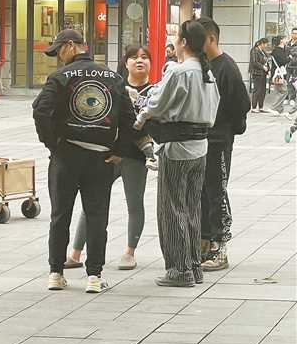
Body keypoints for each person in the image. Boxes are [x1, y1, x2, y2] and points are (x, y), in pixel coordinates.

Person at [32, 29, 143, 293]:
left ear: (71, 46)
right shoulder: (113, 78)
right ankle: (94, 275)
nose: (58, 57)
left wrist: (52, 143)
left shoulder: (59, 78)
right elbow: (130, 119)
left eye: (59, 51)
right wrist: (119, 149)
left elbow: (40, 111)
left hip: (66, 155)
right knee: (96, 216)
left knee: (60, 215)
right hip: (100, 157)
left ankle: (56, 273)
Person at [134, 20, 220, 287]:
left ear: (183, 43)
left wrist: (140, 119)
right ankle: (193, 265)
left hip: (177, 147)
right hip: (200, 147)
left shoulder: (181, 72)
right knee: (192, 208)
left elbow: (156, 106)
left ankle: (179, 270)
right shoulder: (208, 74)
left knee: (171, 210)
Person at [66, 45, 156, 272]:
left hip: (135, 156)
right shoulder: (113, 86)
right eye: (134, 57)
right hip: (109, 154)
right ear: (125, 63)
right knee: (92, 203)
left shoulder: (156, 92)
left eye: (145, 57)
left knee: (134, 203)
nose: (139, 61)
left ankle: (129, 252)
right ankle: (76, 253)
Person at [197, 17, 250, 272]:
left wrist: (229, 128)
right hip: (202, 139)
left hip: (218, 140)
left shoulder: (226, 67)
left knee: (216, 191)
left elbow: (241, 104)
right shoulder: (203, 65)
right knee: (202, 192)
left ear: (211, 39)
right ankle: (205, 241)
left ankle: (220, 245)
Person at [249, 38, 270, 113]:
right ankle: (253, 107)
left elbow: (267, 59)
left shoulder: (263, 51)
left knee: (263, 90)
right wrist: (263, 67)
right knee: (257, 89)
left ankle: (261, 106)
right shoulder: (254, 50)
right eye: (266, 44)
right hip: (257, 72)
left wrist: (268, 68)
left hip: (263, 72)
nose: (266, 45)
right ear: (261, 44)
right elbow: (254, 62)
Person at [285, 27, 297, 106]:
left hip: (295, 66)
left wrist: (292, 55)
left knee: (294, 82)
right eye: (293, 33)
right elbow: (285, 54)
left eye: (296, 33)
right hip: (288, 66)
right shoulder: (288, 44)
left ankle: (292, 98)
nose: (294, 35)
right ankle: (287, 97)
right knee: (288, 82)